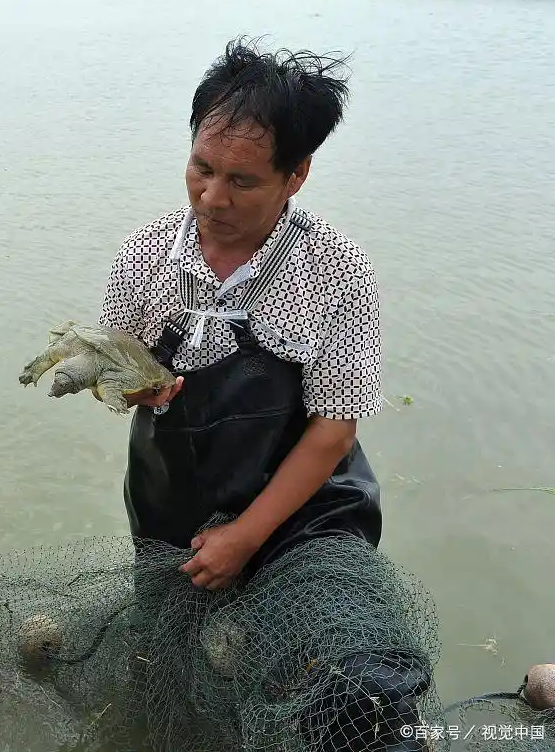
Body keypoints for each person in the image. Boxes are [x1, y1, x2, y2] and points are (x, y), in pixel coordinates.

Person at [98, 38, 430, 751]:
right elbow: (115, 372)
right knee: (169, 667)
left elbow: (334, 429)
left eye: (242, 181)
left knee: (353, 685)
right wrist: (131, 390)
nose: (212, 198)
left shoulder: (337, 270)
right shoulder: (143, 254)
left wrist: (248, 537)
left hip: (305, 520)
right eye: (202, 168)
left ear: (296, 175)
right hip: (171, 507)